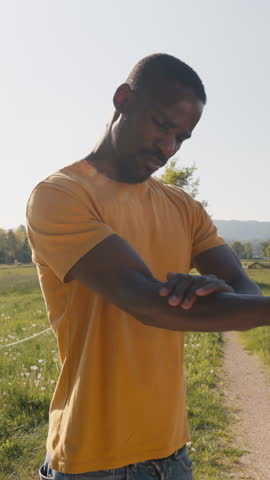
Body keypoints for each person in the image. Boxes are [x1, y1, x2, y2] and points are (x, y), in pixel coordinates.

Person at [26, 53, 269, 480]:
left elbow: (244, 287)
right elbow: (149, 304)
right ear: (123, 99)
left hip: (173, 455)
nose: (169, 147)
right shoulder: (60, 195)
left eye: (182, 137)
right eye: (161, 124)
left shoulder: (183, 207)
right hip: (91, 462)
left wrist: (223, 290)